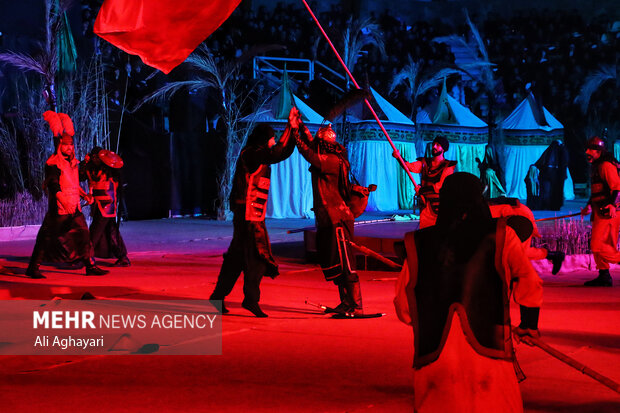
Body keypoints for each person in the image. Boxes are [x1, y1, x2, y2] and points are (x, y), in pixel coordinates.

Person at [394, 173, 543, 412]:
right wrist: (529, 324)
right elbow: (528, 279)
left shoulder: (417, 242)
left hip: (434, 359)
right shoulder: (503, 235)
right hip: (490, 357)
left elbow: (404, 307)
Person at [209, 108, 297, 317]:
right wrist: (289, 128)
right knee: (257, 257)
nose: (274, 142)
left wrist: (291, 129)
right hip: (248, 216)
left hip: (252, 215)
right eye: (272, 138)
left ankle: (217, 298)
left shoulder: (258, 155)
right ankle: (250, 299)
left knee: (236, 259)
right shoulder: (252, 154)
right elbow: (277, 153)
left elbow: (280, 153)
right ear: (264, 139)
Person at [26, 111, 108, 279]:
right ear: (59, 145)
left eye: (71, 144)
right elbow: (54, 185)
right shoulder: (53, 163)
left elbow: (73, 183)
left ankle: (90, 265)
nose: (69, 147)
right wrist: (63, 200)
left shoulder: (73, 163)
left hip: (74, 206)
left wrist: (84, 195)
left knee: (84, 234)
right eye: (65, 145)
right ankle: (33, 267)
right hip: (59, 209)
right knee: (47, 236)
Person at [294, 120, 363, 316]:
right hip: (328, 218)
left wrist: (295, 136)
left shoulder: (333, 160)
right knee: (336, 263)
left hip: (338, 218)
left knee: (346, 263)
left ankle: (356, 305)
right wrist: (301, 127)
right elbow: (314, 146)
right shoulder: (329, 155)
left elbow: (310, 154)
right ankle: (345, 303)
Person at [580, 136, 620, 287]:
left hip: (608, 212)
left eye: (591, 149)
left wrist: (611, 204)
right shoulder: (597, 166)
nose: (587, 152)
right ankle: (604, 275)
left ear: (599, 152)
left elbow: (617, 187)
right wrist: (589, 206)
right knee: (600, 243)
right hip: (600, 210)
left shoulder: (605, 166)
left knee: (598, 245)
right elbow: (598, 190)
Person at [81, 146, 130, 267]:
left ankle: (86, 257)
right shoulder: (90, 169)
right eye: (93, 157)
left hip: (108, 206)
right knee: (111, 231)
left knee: (95, 232)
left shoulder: (110, 169)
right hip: (98, 205)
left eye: (97, 157)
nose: (95, 159)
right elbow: (80, 175)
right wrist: (84, 162)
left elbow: (118, 179)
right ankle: (122, 257)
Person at [489, 197, 565, 275]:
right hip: (516, 218)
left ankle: (554, 255)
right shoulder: (485, 209)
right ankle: (553, 255)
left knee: (520, 251)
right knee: (518, 251)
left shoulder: (487, 210)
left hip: (520, 219)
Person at [393, 136, 456, 228]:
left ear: (443, 149)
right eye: (434, 144)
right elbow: (410, 167)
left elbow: (439, 186)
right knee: (425, 230)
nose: (434, 146)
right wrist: (399, 157)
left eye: (438, 145)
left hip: (440, 206)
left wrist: (422, 190)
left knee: (438, 230)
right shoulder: (425, 162)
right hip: (425, 204)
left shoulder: (448, 166)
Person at [532, 140, 569, 210]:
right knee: (550, 190)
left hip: (550, 173)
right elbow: (564, 162)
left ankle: (547, 205)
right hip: (554, 174)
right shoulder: (560, 150)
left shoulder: (552, 151)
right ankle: (551, 205)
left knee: (548, 190)